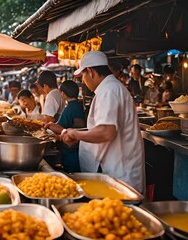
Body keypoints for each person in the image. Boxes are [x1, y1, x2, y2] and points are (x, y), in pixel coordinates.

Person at [61, 51, 144, 192]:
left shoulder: (109, 91)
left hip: (120, 176)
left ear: (91, 71)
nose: (83, 82)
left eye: (83, 76)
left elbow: (107, 132)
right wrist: (80, 136)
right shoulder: (111, 88)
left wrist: (76, 134)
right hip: (116, 171)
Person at [45, 80, 85, 172]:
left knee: (73, 174)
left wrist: (60, 130)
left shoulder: (73, 107)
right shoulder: (75, 106)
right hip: (68, 150)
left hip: (72, 152)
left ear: (63, 94)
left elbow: (79, 127)